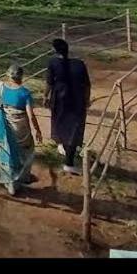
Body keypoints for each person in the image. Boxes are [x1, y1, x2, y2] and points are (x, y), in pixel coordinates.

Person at [0, 62, 42, 196]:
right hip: (20, 129)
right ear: (21, 76)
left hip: (4, 128)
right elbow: (31, 115)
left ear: (8, 75)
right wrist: (37, 130)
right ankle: (16, 180)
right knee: (26, 150)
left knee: (5, 149)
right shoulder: (25, 93)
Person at [46, 38, 91, 176]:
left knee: (60, 123)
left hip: (60, 99)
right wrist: (87, 100)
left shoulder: (53, 63)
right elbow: (88, 85)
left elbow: (49, 83)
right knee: (75, 128)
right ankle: (69, 160)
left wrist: (45, 96)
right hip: (77, 101)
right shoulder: (79, 64)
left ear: (55, 50)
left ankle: (65, 153)